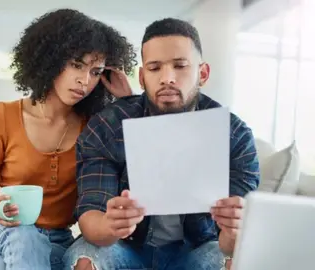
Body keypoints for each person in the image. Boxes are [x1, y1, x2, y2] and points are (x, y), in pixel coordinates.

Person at [63, 18, 260, 270]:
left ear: (203, 73)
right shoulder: (108, 125)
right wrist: (111, 225)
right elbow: (91, 219)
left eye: (180, 66)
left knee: (234, 262)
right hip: (127, 248)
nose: (168, 78)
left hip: (197, 249)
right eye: (155, 68)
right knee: (86, 258)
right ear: (143, 78)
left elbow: (230, 244)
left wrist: (235, 230)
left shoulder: (235, 135)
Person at [0, 8, 137, 270]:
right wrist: (0, 213)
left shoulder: (94, 128)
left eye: (96, 72)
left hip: (54, 243)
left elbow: (143, 159)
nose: (84, 81)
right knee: (23, 235)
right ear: (51, 59)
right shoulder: (2, 117)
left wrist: (128, 101)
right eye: (76, 65)